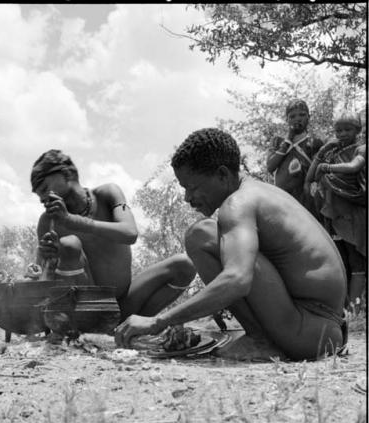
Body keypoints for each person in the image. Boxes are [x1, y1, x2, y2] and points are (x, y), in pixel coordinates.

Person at [115, 128, 347, 361]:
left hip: (307, 333)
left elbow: (237, 280)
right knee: (208, 234)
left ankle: (259, 340)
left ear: (223, 175)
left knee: (200, 236)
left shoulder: (237, 204)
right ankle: (260, 337)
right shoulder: (261, 192)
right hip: (326, 328)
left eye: (192, 187)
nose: (187, 198)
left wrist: (158, 321)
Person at [31, 149, 196, 324]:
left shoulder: (107, 194)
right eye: (38, 193)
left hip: (125, 303)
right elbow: (44, 279)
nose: (42, 198)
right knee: (69, 244)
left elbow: (129, 233)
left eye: (44, 188)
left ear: (67, 175)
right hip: (83, 313)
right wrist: (45, 258)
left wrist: (73, 221)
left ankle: (135, 326)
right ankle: (90, 328)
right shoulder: (48, 222)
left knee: (184, 265)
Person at [305, 111, 366, 313]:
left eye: (348, 129)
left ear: (358, 130)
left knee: (356, 260)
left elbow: (354, 166)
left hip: (352, 213)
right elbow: (313, 175)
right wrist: (322, 152)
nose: (342, 134)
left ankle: (356, 306)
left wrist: (329, 167)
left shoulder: (362, 148)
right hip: (333, 214)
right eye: (338, 130)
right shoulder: (331, 152)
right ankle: (343, 308)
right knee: (339, 259)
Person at [266, 99, 324, 217]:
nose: (297, 119)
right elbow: (270, 166)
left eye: (302, 115)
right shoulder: (278, 141)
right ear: (287, 120)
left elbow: (318, 172)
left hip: (306, 198)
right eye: (292, 116)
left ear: (309, 117)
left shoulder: (315, 142)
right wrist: (288, 140)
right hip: (282, 197)